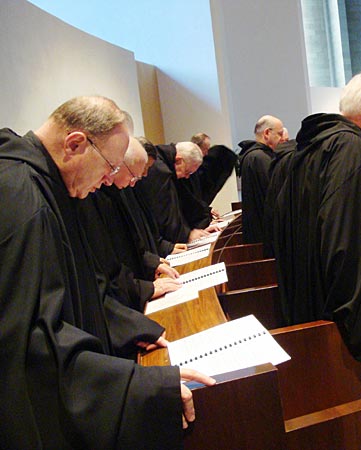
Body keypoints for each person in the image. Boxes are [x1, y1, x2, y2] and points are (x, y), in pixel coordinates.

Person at [0, 96, 214, 449]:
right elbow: (30, 345)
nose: (109, 181)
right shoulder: (23, 198)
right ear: (75, 144)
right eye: (109, 167)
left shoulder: (48, 187)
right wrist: (138, 385)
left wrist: (129, 329)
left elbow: (85, 287)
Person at [273, 72, 361, 394]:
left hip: (312, 306)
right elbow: (346, 245)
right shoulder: (349, 148)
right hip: (342, 333)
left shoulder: (310, 148)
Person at [78, 137, 182, 313]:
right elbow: (108, 261)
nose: (136, 181)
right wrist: (142, 289)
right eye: (135, 175)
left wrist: (150, 262)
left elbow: (133, 234)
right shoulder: (91, 195)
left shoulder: (117, 189)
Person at [135, 140, 218, 244]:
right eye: (187, 172)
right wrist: (187, 235)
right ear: (179, 160)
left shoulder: (164, 160)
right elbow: (164, 214)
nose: (187, 177)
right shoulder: (160, 170)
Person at [239, 115, 284, 243]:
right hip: (265, 234)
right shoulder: (260, 158)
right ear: (267, 133)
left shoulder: (253, 155)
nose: (282, 139)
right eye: (279, 134)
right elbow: (274, 195)